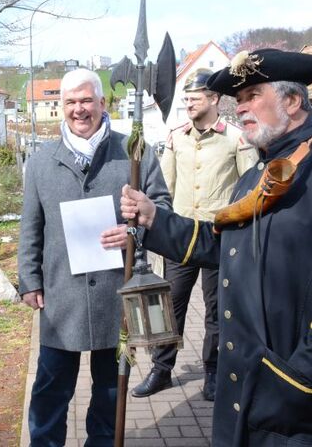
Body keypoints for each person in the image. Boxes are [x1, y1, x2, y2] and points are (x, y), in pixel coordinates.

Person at [106, 48, 312, 446]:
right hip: (248, 397)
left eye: (254, 95)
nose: (243, 108)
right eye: (240, 100)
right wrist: (153, 217)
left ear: (292, 100)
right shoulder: (256, 177)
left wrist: (296, 384)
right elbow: (223, 246)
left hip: (291, 403)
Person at [18, 68, 171, 447]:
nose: (79, 109)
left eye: (86, 100)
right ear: (61, 106)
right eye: (70, 102)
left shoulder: (134, 154)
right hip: (61, 298)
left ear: (103, 103)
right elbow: (30, 228)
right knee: (50, 392)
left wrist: (135, 231)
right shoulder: (40, 163)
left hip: (115, 296)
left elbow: (163, 207)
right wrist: (29, 280)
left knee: (109, 393)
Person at [133, 68, 257, 402]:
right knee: (169, 306)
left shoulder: (236, 138)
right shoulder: (176, 137)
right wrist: (161, 230)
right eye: (186, 98)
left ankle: (214, 373)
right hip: (181, 239)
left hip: (220, 239)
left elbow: (250, 190)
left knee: (217, 312)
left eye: (195, 97)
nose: (188, 103)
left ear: (214, 99)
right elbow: (165, 188)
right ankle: (161, 371)